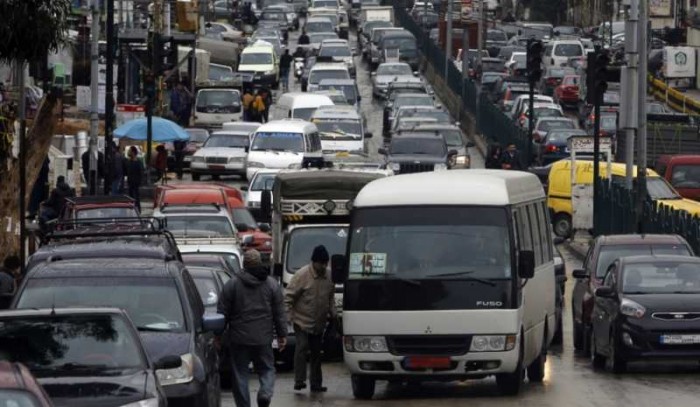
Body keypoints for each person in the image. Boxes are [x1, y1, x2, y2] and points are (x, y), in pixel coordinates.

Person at [217, 249, 288, 407]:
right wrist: (282, 335)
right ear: (259, 263)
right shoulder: (271, 284)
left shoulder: (232, 284)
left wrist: (218, 336)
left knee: (240, 374)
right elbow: (279, 313)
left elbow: (222, 313)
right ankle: (265, 393)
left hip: (239, 339)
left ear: (244, 264)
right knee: (267, 369)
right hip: (263, 338)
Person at [285, 245, 336, 393]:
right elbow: (288, 296)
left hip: (319, 322)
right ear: (314, 262)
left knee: (316, 353)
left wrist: (334, 314)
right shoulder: (301, 275)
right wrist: (288, 316)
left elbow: (331, 298)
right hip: (301, 321)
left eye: (326, 263)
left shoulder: (329, 276)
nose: (324, 266)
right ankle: (299, 380)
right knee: (302, 347)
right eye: (321, 263)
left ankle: (316, 384)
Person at [126, 146, 144, 212]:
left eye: (130, 150)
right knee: (131, 198)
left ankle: (138, 210)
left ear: (133, 152)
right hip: (131, 183)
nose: (128, 152)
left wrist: (139, 182)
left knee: (136, 197)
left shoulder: (138, 162)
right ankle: (132, 210)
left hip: (135, 183)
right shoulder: (129, 161)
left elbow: (141, 173)